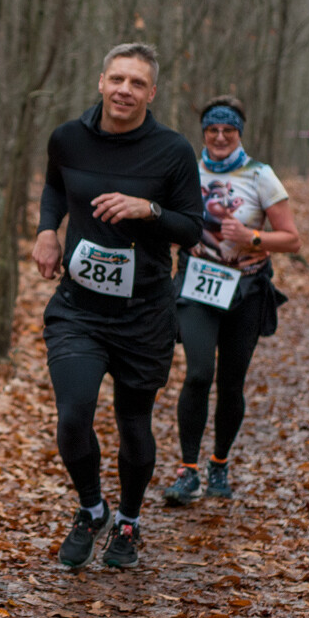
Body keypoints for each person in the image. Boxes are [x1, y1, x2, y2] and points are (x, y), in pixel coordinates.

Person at [33, 42, 202, 569]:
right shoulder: (68, 138)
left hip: (144, 312)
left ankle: (128, 520)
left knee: (134, 423)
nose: (125, 90)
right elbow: (54, 187)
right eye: (118, 79)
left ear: (152, 93)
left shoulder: (173, 151)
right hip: (79, 309)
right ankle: (92, 508)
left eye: (137, 83)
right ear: (101, 82)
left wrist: (149, 210)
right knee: (73, 415)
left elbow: (192, 229)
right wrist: (46, 231)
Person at [163, 97, 301, 505]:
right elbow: (169, 222)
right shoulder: (187, 171)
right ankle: (188, 470)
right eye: (213, 130)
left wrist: (251, 237)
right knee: (198, 373)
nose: (220, 137)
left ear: (239, 133)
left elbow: (292, 239)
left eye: (228, 130)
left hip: (246, 291)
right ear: (204, 132)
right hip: (197, 286)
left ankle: (219, 463)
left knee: (231, 382)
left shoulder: (260, 175)